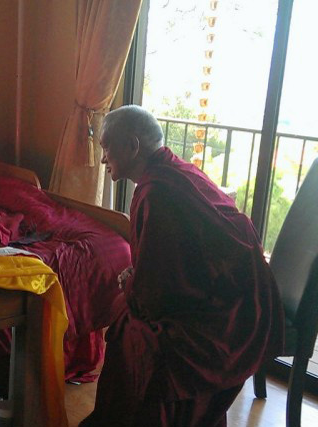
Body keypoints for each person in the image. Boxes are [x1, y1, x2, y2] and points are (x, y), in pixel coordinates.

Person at [80, 105, 284, 427]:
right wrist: (139, 277)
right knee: (126, 317)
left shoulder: (156, 193)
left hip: (232, 316)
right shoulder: (173, 170)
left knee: (132, 332)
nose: (103, 157)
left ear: (133, 146)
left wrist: (131, 283)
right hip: (241, 298)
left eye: (107, 147)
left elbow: (157, 298)